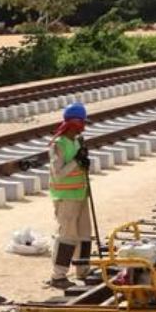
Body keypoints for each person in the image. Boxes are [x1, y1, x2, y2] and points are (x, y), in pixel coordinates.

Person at [48, 103, 93, 289]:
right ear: (75, 123)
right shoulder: (58, 144)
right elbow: (58, 173)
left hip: (80, 194)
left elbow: (78, 166)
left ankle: (82, 269)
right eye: (82, 123)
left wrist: (84, 163)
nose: (84, 127)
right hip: (65, 196)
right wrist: (77, 161)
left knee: (84, 234)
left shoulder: (77, 140)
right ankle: (58, 276)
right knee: (67, 235)